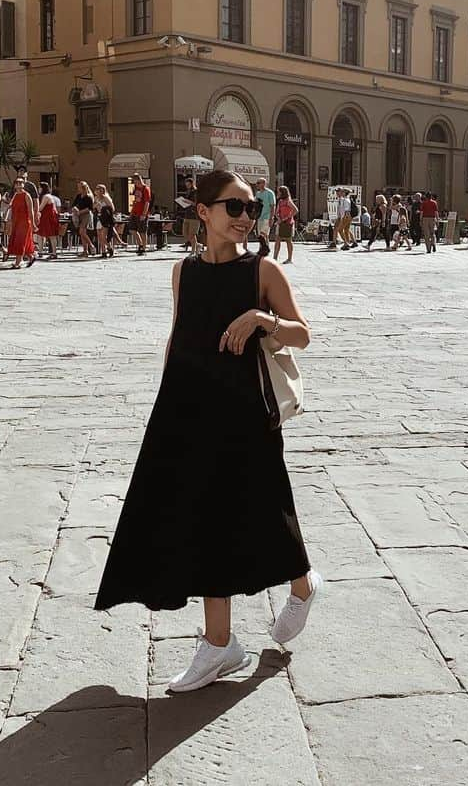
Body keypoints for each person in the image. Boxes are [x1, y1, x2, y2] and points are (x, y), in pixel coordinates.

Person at [94, 169, 318, 691]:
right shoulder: (183, 272)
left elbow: (303, 335)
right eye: (234, 207)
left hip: (246, 414)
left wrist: (264, 321)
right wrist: (166, 407)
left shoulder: (262, 272)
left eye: (251, 209)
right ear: (204, 212)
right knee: (205, 519)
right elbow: (178, 336)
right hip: (190, 408)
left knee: (267, 507)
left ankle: (304, 588)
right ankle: (220, 644)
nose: (246, 217)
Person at [6, 177, 37, 269]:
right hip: (16, 221)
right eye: (17, 183)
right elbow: (11, 206)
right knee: (22, 242)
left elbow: (30, 211)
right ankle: (31, 257)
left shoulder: (26, 195)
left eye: (21, 183)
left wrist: (33, 223)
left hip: (24, 222)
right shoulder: (15, 195)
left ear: (24, 184)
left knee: (21, 241)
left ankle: (18, 262)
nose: (19, 185)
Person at [273, 185, 298, 264]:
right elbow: (276, 212)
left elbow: (295, 210)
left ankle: (289, 259)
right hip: (280, 223)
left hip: (288, 223)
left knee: (288, 240)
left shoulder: (288, 201)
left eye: (279, 191)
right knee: (277, 239)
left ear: (282, 192)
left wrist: (287, 217)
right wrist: (278, 218)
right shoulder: (280, 201)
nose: (278, 193)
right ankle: (275, 258)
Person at [129, 173, 153, 256]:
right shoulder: (136, 188)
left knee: (142, 231)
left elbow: (147, 202)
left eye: (135, 181)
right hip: (135, 212)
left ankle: (143, 248)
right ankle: (140, 244)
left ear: (139, 180)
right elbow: (135, 201)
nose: (134, 183)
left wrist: (144, 214)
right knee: (132, 230)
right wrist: (131, 212)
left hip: (142, 213)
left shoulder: (145, 189)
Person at [37, 183, 62, 258]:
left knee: (51, 235)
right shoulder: (49, 196)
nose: (38, 189)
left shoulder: (46, 196)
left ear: (43, 188)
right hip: (47, 217)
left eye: (39, 187)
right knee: (41, 234)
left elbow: (40, 208)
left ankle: (53, 253)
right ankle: (41, 252)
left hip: (48, 218)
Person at [72, 181, 96, 256]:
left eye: (79, 187)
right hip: (79, 215)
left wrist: (80, 211)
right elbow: (74, 204)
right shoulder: (79, 196)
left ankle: (91, 246)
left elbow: (90, 208)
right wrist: (75, 208)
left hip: (86, 215)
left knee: (82, 231)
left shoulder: (88, 197)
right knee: (82, 233)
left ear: (83, 188)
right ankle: (85, 251)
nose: (78, 189)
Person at [95, 184, 117, 258]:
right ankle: (103, 252)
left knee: (104, 236)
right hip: (99, 217)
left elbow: (112, 208)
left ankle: (109, 248)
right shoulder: (96, 198)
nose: (98, 191)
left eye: (100, 189)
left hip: (106, 218)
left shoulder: (106, 198)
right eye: (97, 189)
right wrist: (96, 206)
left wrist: (104, 208)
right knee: (99, 236)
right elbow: (94, 207)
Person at [254, 177, 276, 247]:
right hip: (259, 217)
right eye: (256, 183)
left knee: (263, 235)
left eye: (258, 183)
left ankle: (263, 251)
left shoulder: (270, 193)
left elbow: (273, 206)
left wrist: (272, 217)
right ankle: (264, 249)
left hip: (267, 217)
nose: (256, 185)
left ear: (264, 184)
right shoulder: (257, 193)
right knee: (262, 236)